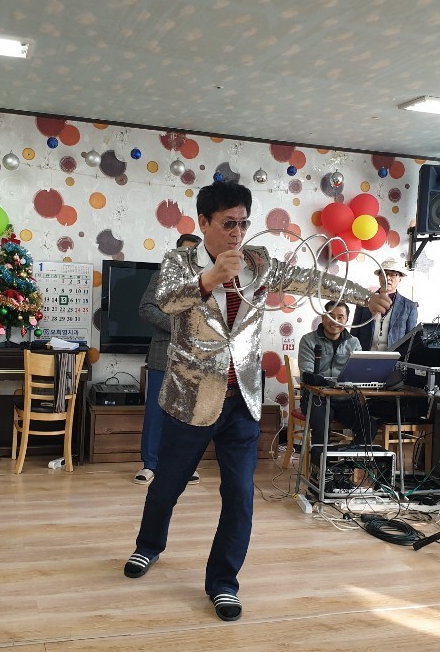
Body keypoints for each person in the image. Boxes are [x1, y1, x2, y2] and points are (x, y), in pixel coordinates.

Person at [123, 180, 391, 622]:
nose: (237, 232)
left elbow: (311, 279)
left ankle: (224, 582)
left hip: (242, 403)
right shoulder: (178, 262)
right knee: (167, 485)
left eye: (244, 223)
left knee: (240, 496)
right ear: (204, 222)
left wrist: (364, 295)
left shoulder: (259, 262)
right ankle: (149, 545)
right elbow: (164, 303)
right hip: (191, 399)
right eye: (228, 223)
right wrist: (210, 278)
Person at [135, 233, 202, 485]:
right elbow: (146, 309)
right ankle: (150, 465)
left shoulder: (206, 281)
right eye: (185, 252)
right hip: (162, 355)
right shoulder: (161, 276)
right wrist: (177, 327)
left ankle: (184, 466)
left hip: (195, 358)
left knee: (187, 415)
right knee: (156, 413)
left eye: (194, 253)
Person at [298, 300, 378, 448]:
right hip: (317, 398)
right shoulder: (308, 340)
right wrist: (328, 382)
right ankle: (320, 462)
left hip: (346, 399)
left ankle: (346, 459)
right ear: (323, 318)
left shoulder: (354, 343)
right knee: (321, 429)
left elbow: (358, 373)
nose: (335, 320)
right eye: (331, 316)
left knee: (369, 426)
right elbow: (307, 373)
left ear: (347, 320)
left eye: (340, 317)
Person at [351, 257, 418, 351]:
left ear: (400, 278)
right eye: (384, 273)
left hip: (395, 357)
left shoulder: (410, 306)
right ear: (379, 277)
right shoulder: (365, 301)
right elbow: (354, 333)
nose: (387, 278)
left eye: (393, 274)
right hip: (365, 355)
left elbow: (411, 340)